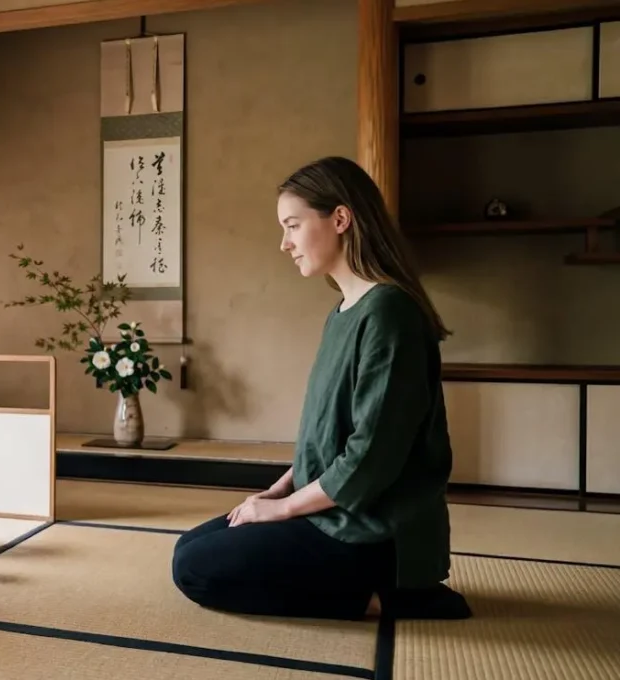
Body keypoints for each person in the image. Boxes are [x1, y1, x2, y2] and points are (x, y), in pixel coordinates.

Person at [170, 156, 472, 621]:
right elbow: (324, 432)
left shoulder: (390, 314)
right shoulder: (344, 312)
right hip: (332, 512)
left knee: (196, 569)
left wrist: (286, 510)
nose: (284, 243)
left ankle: (395, 598)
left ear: (340, 218)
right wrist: (276, 493)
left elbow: (372, 455)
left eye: (292, 225)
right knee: (193, 545)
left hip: (374, 530)